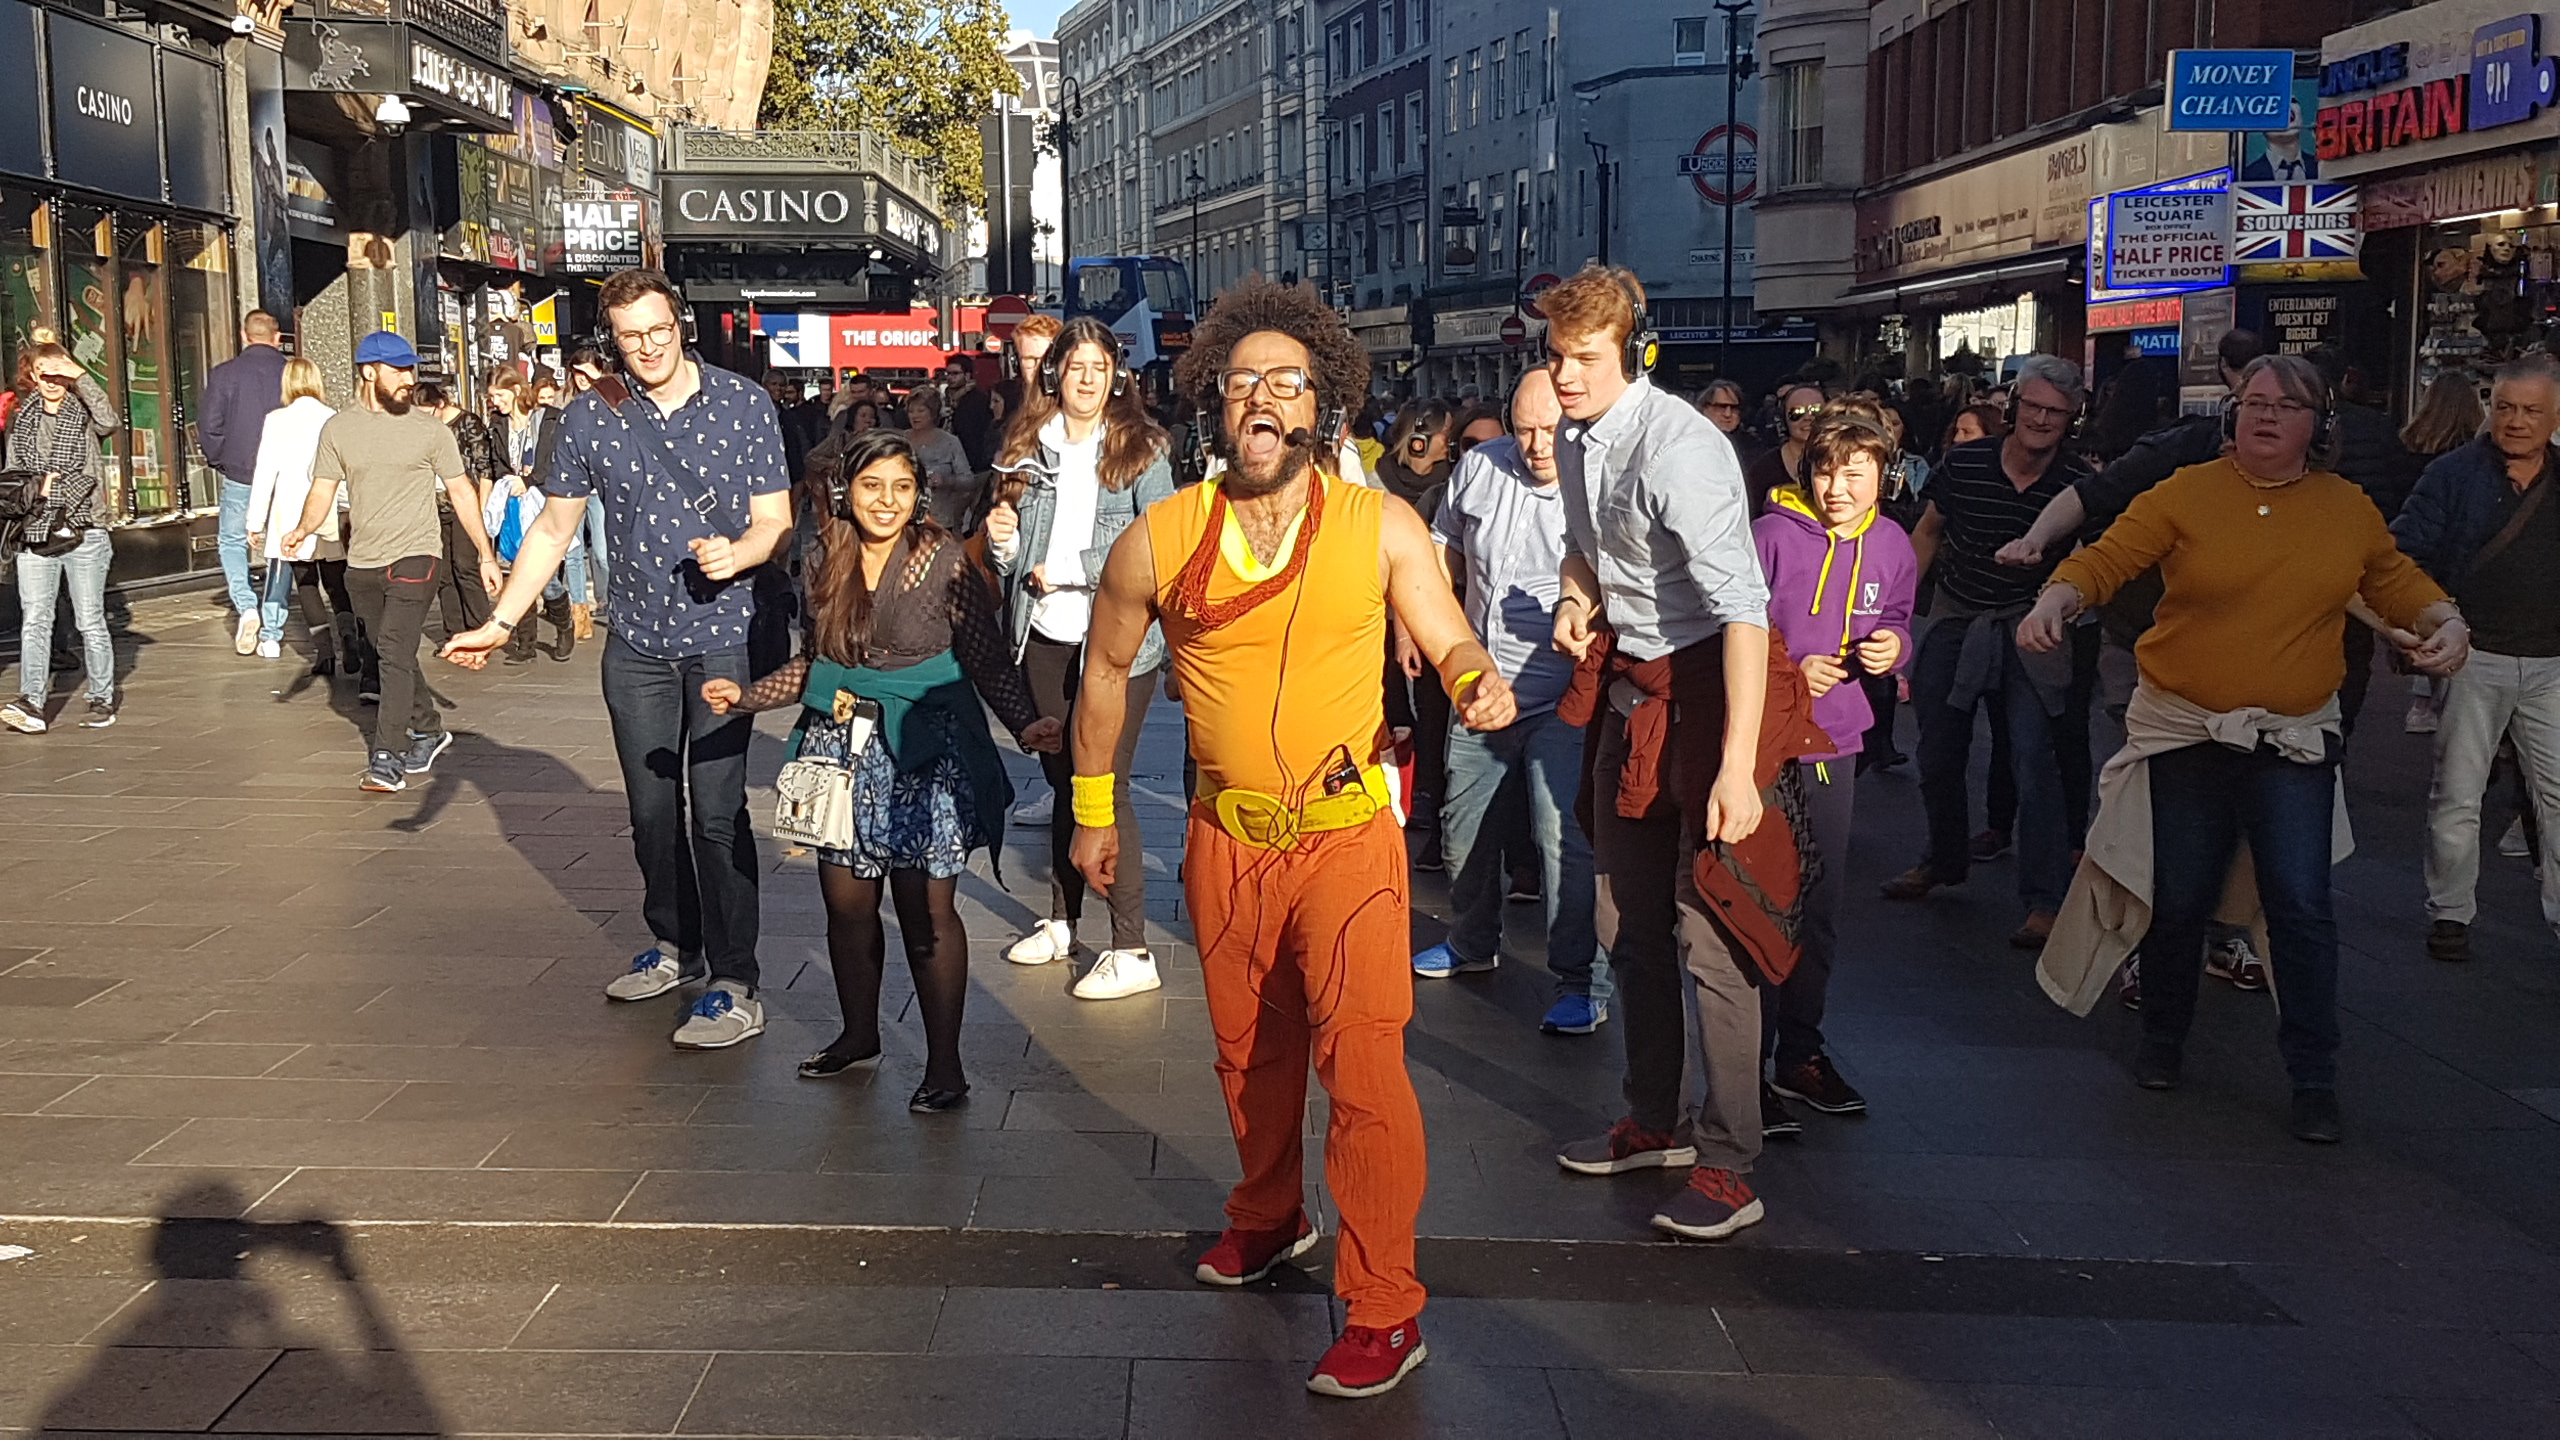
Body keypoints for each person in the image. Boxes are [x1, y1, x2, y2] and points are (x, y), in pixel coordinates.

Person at [1066, 279, 1515, 1399]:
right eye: (1241, 382)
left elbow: (1446, 632)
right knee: (1246, 1058)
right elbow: (1106, 670)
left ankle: (1385, 1305)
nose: (1261, 398)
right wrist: (1091, 812)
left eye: (1285, 381)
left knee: (1363, 1068)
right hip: (1225, 839)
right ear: (1214, 404)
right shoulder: (1159, 538)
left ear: (1324, 404)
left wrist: (1474, 678)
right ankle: (1269, 1215)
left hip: (1347, 837)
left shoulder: (1379, 523)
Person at [2022, 354, 2467, 1144]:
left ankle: (2314, 1076)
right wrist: (2058, 595)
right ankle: (2163, 1039)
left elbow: (2392, 579)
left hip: (2291, 740)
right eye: (2255, 402)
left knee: (2300, 904)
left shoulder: (2346, 507)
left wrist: (2447, 621)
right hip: (2188, 731)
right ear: (2233, 415)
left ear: (2318, 425)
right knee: (2181, 897)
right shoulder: (2187, 491)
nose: (2266, 415)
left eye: (2287, 406)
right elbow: (2108, 557)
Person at [442, 269, 794, 1051]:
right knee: (649, 814)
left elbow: (776, 520)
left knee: (716, 812)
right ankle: (676, 944)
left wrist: (739, 553)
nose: (649, 347)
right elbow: (553, 530)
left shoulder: (743, 404)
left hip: (725, 635)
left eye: (659, 330)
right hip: (636, 641)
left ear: (682, 324)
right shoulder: (591, 417)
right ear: (611, 340)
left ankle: (736, 981)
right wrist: (500, 622)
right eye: (631, 337)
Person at [1538, 266, 1799, 1245]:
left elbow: (1744, 613)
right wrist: (1577, 598)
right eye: (1555, 356)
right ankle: (1656, 1120)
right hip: (1631, 690)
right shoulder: (1574, 437)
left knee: (1713, 931)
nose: (1565, 375)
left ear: (1634, 353)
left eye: (1584, 358)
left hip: (1709, 694)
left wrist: (1735, 767)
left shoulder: (1680, 449)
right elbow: (1584, 551)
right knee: (1626, 920)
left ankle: (1731, 1163)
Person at [703, 430, 1060, 1104]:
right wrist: (745, 697)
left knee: (926, 912)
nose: (887, 501)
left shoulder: (944, 559)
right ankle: (859, 1035)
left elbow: (984, 658)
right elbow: (815, 661)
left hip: (926, 748)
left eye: (901, 487)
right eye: (872, 486)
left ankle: (945, 1066)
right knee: (847, 907)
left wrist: (1025, 723)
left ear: (918, 493)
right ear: (846, 492)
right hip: (842, 749)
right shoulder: (824, 556)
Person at [1409, 367, 1613, 1034]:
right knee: (1464, 829)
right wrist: (1423, 627)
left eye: (1550, 429)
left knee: (1564, 842)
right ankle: (1472, 941)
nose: (1536, 444)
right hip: (1482, 683)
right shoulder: (1480, 468)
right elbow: (1442, 550)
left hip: (1562, 693)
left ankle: (1582, 980)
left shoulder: (1598, 478)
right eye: (1524, 429)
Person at [984, 319, 1178, 1001]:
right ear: (1055, 374)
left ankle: (1131, 947)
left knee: (1105, 785)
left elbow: (1162, 545)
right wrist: (1004, 544)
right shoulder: (1025, 447)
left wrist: (1070, 569)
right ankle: (1064, 921)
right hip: (1043, 636)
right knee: (1064, 781)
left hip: (1119, 645)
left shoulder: (1144, 449)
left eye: (1100, 366)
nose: (1088, 379)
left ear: (1117, 375)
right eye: (1076, 367)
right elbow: (1011, 560)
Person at [1883, 356, 2094, 949]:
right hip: (1958, 613)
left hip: (2033, 623)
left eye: (2057, 412)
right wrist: (1898, 611)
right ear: (2014, 406)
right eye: (2034, 407)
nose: (2042, 420)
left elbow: (2094, 556)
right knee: (1937, 751)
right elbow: (1929, 530)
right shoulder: (1967, 461)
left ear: (2072, 419)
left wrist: (2064, 606)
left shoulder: (2077, 481)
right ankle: (1942, 859)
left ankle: (2044, 898)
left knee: (2035, 759)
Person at [1750, 408, 1917, 1131]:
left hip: (1835, 742)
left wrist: (1894, 649)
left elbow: (1900, 618)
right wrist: (1790, 670)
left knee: (1818, 908)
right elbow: (1735, 629)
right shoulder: (1769, 536)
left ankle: (1800, 1054)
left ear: (1885, 476)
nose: (1837, 488)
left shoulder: (1893, 543)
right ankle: (1745, 1068)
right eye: (1824, 471)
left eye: (1855, 473)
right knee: (1758, 904)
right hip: (1763, 741)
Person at [2392, 359, 2560, 964]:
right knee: (2458, 794)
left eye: (2531, 410)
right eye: (2505, 406)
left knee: (2557, 797)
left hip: (2551, 661)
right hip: (2475, 655)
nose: (2516, 420)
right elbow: (2402, 556)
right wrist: (2432, 620)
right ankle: (2450, 913)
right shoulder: (2453, 473)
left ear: (2556, 416)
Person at [281, 333, 491, 789]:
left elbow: (462, 492)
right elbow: (322, 489)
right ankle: (429, 729)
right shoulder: (338, 429)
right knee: (389, 652)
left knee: (393, 650)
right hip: (363, 562)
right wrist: (302, 528)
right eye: (398, 371)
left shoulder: (430, 430)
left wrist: (486, 555)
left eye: (410, 370)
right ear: (368, 372)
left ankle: (386, 757)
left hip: (418, 553)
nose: (408, 380)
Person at [0, 346, 118, 732]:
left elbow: (110, 420)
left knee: (90, 619)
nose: (51, 381)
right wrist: (40, 487)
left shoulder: (84, 414)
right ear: (32, 377)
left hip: (86, 530)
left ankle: (101, 697)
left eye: (57, 373)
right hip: (36, 530)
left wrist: (79, 374)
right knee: (35, 619)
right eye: (43, 373)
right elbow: (12, 477)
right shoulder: (22, 419)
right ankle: (31, 702)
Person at [2396, 371, 2489, 736]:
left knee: (2430, 626)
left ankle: (2423, 703)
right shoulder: (2474, 459)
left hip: (2420, 554)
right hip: (2456, 554)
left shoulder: (2409, 444)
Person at [198, 310, 291, 655]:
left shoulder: (224, 374)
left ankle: (246, 605)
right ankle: (273, 628)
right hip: (283, 475)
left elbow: (209, 426)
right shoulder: (291, 373)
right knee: (282, 547)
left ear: (243, 335)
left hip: (240, 472)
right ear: (277, 337)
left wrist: (221, 460)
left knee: (232, 542)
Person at [243, 358, 343, 664]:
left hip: (290, 514)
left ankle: (325, 652)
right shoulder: (332, 417)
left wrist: (255, 521)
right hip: (328, 510)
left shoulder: (276, 420)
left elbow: (264, 473)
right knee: (336, 582)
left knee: (307, 584)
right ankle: (351, 643)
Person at [417, 383, 500, 643]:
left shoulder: (467, 424)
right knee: (443, 572)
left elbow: (484, 470)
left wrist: (481, 510)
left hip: (465, 504)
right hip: (435, 506)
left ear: (440, 404)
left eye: (428, 413)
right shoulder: (423, 429)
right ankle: (453, 632)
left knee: (465, 565)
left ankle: (479, 625)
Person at [1743, 382, 1828, 514]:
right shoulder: (1762, 470)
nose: (1808, 418)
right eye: (1796, 412)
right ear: (1784, 419)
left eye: (1816, 410)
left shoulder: (1845, 459)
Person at [904, 389, 978, 530]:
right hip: (905, 517)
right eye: (911, 411)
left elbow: (969, 480)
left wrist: (946, 481)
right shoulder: (902, 440)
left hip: (940, 519)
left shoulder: (950, 442)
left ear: (933, 412)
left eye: (921, 410)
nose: (915, 415)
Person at [944, 353, 998, 472]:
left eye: (955, 373)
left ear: (967, 375)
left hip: (973, 463)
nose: (950, 378)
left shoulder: (977, 400)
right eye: (948, 373)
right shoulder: (948, 399)